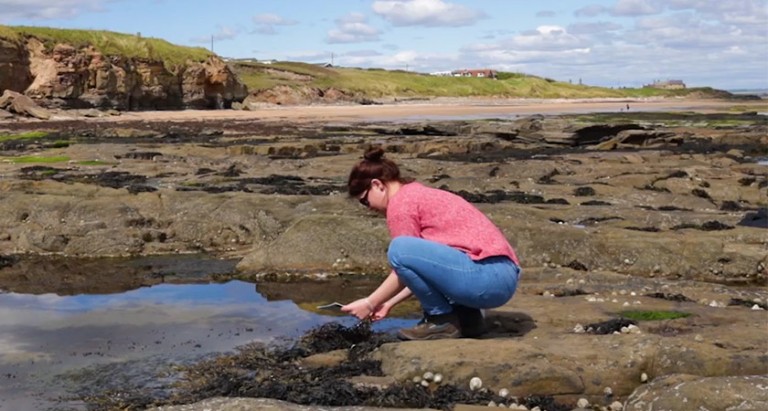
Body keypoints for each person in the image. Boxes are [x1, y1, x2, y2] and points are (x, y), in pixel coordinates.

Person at [341, 147, 521, 340]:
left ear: (377, 185)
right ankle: (468, 319)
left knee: (398, 249)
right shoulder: (418, 193)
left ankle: (441, 321)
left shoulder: (400, 204)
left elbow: (401, 263)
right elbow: (422, 271)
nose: (369, 209)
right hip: (502, 278)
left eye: (365, 201)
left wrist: (370, 302)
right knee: (419, 254)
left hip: (484, 279)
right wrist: (388, 303)